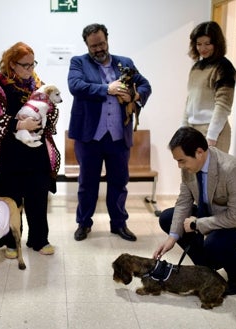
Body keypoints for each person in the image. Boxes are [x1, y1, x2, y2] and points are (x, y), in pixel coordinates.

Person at [154, 127, 236, 296]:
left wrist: (197, 223)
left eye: (182, 160)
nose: (179, 165)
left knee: (214, 244)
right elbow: (183, 202)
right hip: (215, 211)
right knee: (167, 218)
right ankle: (206, 267)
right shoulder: (188, 168)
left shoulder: (232, 169)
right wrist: (172, 237)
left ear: (199, 152)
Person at [68, 23, 152, 242]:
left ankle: (119, 224)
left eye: (102, 43)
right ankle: (84, 224)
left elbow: (145, 86)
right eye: (93, 46)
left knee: (119, 182)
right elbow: (75, 85)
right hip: (89, 137)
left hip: (118, 137)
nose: (98, 49)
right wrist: (107, 89)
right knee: (87, 184)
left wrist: (133, 97)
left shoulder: (125, 62)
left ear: (107, 40)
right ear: (86, 44)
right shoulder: (78, 62)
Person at [0, 41, 59, 256]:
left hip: (37, 153)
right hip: (9, 154)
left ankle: (39, 239)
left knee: (38, 197)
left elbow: (51, 110)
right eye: (25, 65)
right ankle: (11, 242)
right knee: (9, 200)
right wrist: (18, 124)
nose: (30, 69)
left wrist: (46, 115)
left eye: (32, 64)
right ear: (12, 64)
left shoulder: (38, 84)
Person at [182, 21, 236, 153]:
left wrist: (212, 135)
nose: (202, 48)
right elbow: (189, 100)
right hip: (193, 128)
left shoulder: (224, 67)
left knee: (213, 172)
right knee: (189, 172)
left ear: (216, 43)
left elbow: (223, 104)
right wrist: (183, 128)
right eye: (199, 44)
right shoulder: (196, 67)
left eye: (207, 44)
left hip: (214, 131)